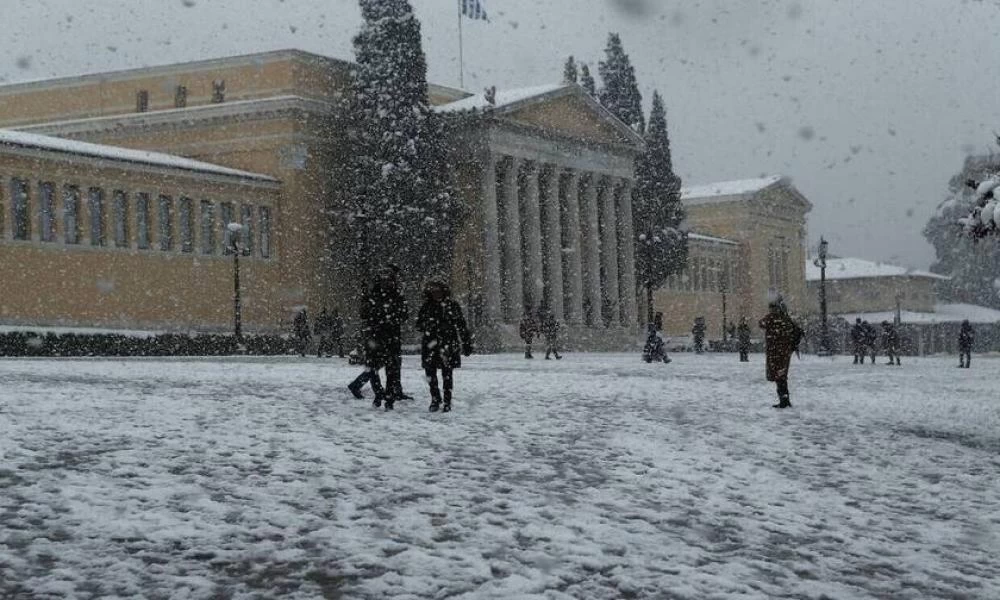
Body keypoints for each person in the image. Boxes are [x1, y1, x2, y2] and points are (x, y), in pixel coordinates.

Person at [354, 265, 409, 411]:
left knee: (391, 369)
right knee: (373, 368)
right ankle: (379, 394)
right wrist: (366, 300)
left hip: (391, 337)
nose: (386, 283)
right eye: (383, 280)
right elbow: (364, 314)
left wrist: (390, 317)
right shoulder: (373, 295)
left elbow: (404, 315)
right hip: (375, 337)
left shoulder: (397, 296)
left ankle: (389, 398)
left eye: (388, 280)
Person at [416, 280, 473, 412]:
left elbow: (461, 325)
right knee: (431, 373)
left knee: (447, 373)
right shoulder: (427, 307)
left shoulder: (452, 305)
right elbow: (419, 325)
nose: (436, 294)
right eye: (433, 291)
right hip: (431, 344)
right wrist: (428, 325)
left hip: (448, 343)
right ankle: (435, 399)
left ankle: (447, 400)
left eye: (438, 291)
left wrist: (466, 343)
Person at [759, 297, 803, 409]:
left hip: (776, 352)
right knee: (781, 376)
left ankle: (784, 401)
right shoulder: (786, 318)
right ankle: (785, 400)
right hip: (785, 352)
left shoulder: (773, 318)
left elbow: (761, 323)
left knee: (779, 377)